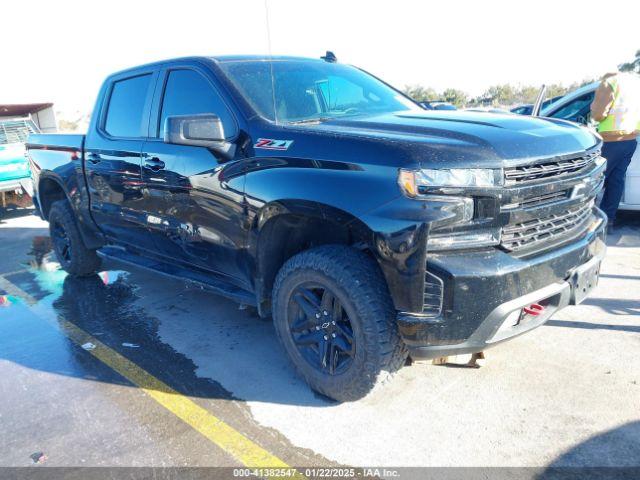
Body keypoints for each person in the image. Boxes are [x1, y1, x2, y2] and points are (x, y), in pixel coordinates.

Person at [590, 67, 640, 233]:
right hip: (630, 139)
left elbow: (598, 114)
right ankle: (608, 221)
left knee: (596, 180)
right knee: (616, 181)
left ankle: (587, 220)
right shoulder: (635, 84)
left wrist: (592, 107)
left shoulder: (609, 83)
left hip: (610, 140)